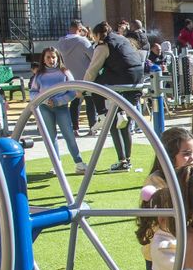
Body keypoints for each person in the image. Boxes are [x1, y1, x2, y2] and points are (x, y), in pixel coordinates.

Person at [85, 21, 145, 171]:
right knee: (124, 123)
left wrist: (82, 88)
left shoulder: (103, 45)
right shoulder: (122, 39)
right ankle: (127, 159)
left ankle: (102, 115)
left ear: (97, 35)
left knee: (96, 86)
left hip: (121, 79)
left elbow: (92, 70)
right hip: (137, 79)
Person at [31, 47, 85, 172]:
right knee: (51, 136)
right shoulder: (39, 74)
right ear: (43, 59)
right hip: (45, 108)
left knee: (69, 134)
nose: (51, 60)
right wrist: (44, 100)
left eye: (53, 57)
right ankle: (56, 164)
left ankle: (79, 162)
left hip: (61, 108)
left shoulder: (64, 72)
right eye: (48, 57)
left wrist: (58, 101)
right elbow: (33, 92)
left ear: (58, 58)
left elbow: (72, 91)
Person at [55, 20, 95, 131]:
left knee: (74, 102)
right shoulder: (83, 41)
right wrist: (87, 36)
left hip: (71, 76)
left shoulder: (61, 42)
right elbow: (93, 57)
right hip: (86, 76)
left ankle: (75, 128)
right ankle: (92, 127)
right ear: (80, 29)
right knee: (90, 102)